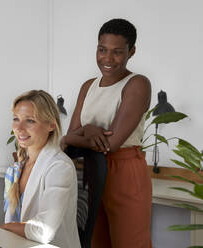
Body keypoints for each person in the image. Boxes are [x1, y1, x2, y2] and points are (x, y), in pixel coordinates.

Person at [61, 18, 152, 248]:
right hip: (90, 171)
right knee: (95, 240)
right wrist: (88, 130)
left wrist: (76, 135)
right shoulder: (88, 86)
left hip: (125, 171)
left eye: (117, 52)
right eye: (102, 50)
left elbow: (110, 144)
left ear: (131, 52)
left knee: (129, 242)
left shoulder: (137, 84)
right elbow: (69, 137)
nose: (107, 59)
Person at [1, 90, 80, 248]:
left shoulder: (59, 167)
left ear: (51, 124)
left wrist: (4, 229)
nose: (20, 128)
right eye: (16, 119)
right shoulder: (16, 169)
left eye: (30, 121)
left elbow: (43, 231)